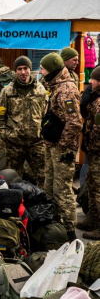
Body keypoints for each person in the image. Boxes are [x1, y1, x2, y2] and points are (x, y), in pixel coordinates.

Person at [39, 53, 81, 241]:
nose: (40, 71)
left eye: (42, 68)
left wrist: (62, 145)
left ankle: (69, 229)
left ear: (52, 69)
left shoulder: (66, 90)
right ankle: (54, 225)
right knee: (49, 186)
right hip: (52, 145)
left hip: (61, 149)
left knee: (62, 189)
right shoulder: (54, 85)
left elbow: (75, 122)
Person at [0, 56, 47, 187]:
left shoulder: (41, 90)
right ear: (15, 71)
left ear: (30, 69)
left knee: (43, 178)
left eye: (25, 68)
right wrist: (6, 135)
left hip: (37, 143)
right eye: (19, 69)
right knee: (13, 180)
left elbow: (46, 115)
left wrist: (44, 133)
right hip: (14, 144)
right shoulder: (7, 91)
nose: (23, 72)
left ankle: (42, 205)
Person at [78, 67, 100, 239]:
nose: (90, 82)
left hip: (98, 151)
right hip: (93, 151)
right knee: (92, 185)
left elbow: (98, 130)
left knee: (98, 189)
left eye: (92, 79)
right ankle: (93, 219)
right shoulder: (94, 97)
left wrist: (90, 144)